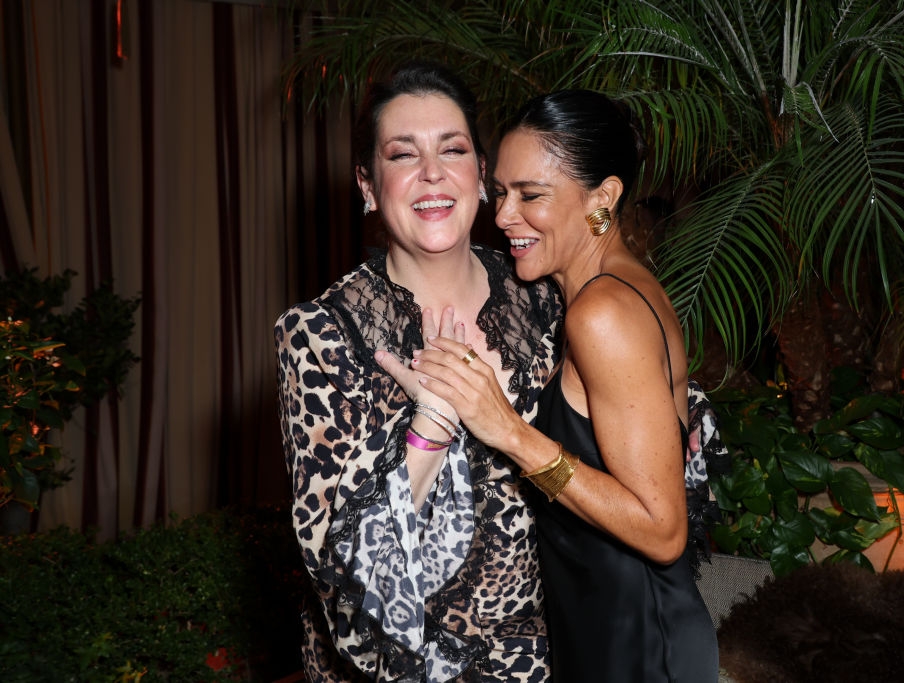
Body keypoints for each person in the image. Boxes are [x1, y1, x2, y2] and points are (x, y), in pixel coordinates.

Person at [389, 90, 720, 681]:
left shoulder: (602, 313)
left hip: (638, 645)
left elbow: (664, 531)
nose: (503, 216)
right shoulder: (604, 291)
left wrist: (510, 432)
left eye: (531, 195)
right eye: (501, 192)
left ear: (603, 198)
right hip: (607, 633)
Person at [275, 62, 561, 682]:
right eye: (403, 154)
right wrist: (434, 419)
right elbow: (339, 568)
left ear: (481, 174)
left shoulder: (546, 299)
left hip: (549, 656)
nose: (432, 172)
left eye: (452, 149)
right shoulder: (321, 335)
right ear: (368, 185)